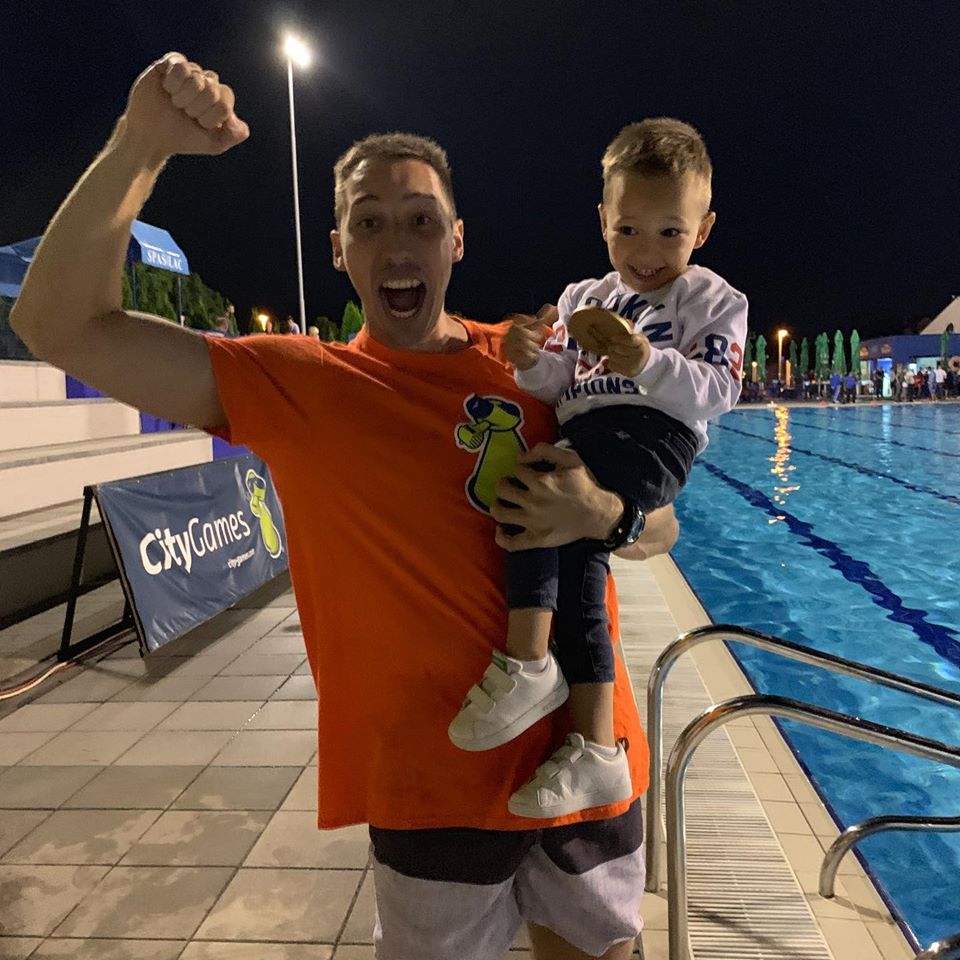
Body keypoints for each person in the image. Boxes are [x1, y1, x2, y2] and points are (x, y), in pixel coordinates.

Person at [11, 53, 680, 960]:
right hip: (430, 790)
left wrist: (602, 511)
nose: (398, 245)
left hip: (583, 765)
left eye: (421, 220)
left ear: (457, 241)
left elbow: (661, 523)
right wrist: (141, 145)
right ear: (339, 249)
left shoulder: (538, 367)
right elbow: (58, 325)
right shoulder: (302, 383)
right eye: (370, 222)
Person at [449, 119, 746, 819]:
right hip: (590, 429)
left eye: (670, 233)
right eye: (628, 230)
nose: (646, 252)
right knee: (579, 556)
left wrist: (648, 362)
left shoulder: (711, 300)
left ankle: (528, 662)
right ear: (603, 221)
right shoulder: (585, 297)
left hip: (656, 435)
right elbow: (561, 381)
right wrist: (530, 361)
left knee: (534, 490)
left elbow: (719, 390)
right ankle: (595, 748)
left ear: (703, 230)